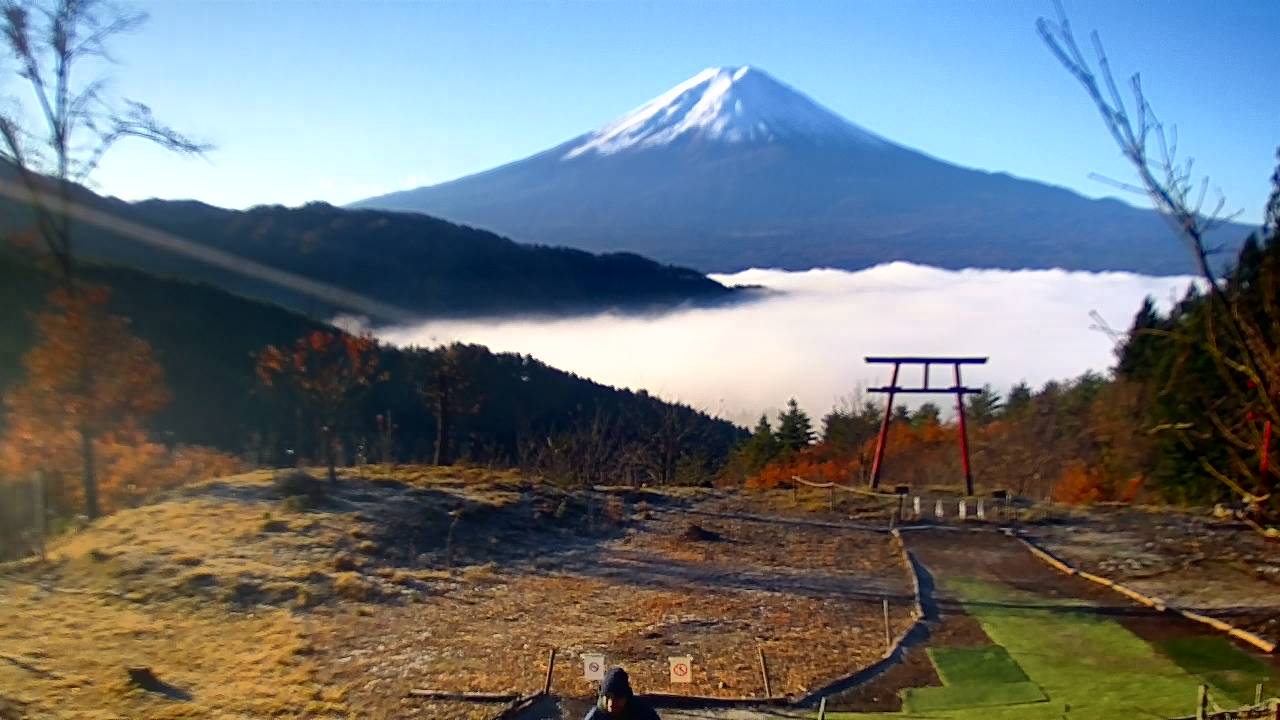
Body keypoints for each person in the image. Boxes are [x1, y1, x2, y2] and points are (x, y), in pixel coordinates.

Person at [584, 667, 661, 720]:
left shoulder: (644, 713)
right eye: (608, 697)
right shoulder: (594, 717)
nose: (611, 703)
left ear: (626, 697)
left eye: (617, 698)